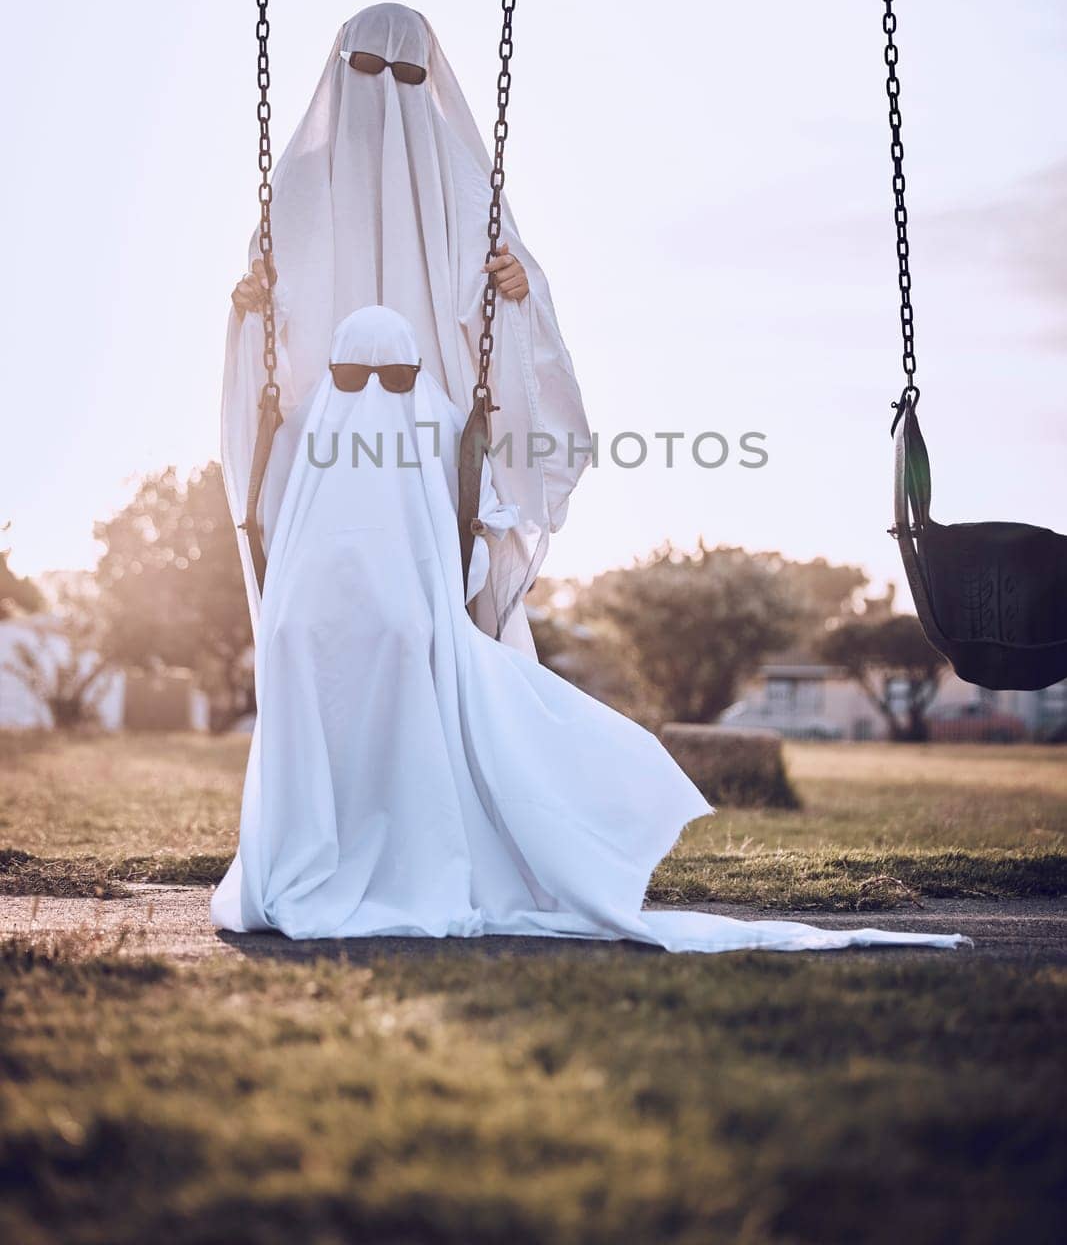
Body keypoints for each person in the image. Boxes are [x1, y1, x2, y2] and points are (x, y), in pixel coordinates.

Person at [211, 306, 969, 956]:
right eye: (354, 378)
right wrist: (249, 319)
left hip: (407, 626)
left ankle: (403, 856)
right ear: (333, 376)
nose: (375, 396)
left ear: (415, 373)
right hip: (317, 628)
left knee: (435, 723)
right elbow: (258, 467)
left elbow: (497, 446)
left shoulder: (426, 418)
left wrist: (509, 316)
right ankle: (334, 851)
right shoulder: (313, 422)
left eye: (395, 378)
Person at [224, 1, 590, 654]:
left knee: (434, 607)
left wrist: (514, 294)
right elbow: (272, 310)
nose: (386, 90)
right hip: (329, 429)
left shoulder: (468, 187)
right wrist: (253, 306)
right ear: (340, 72)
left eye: (406, 72)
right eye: (367, 68)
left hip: (439, 428)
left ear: (432, 76)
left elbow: (515, 299)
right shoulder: (301, 184)